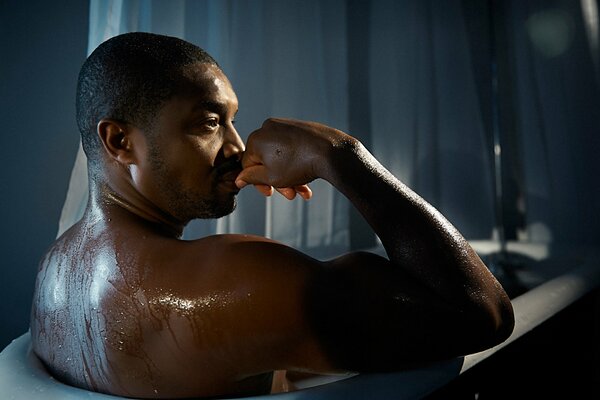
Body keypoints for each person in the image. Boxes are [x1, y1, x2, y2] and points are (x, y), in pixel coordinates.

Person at [30, 32, 514, 399]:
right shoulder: (235, 281)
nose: (237, 147)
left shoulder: (53, 272)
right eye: (209, 122)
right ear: (119, 141)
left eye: (233, 120)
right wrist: (341, 156)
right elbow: (483, 314)